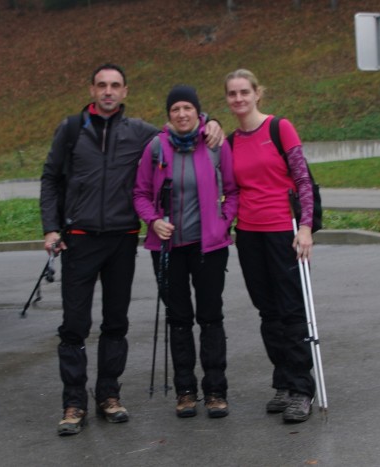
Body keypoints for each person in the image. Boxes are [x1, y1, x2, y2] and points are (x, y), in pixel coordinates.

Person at [40, 64, 223, 436]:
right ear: (92, 89)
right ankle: (73, 402)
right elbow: (50, 178)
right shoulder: (72, 129)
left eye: (116, 86)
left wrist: (212, 122)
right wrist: (50, 228)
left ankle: (109, 396)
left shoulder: (140, 132)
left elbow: (182, 132)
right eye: (102, 85)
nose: (108, 92)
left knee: (115, 323)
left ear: (125, 92)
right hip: (79, 238)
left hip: (123, 238)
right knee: (74, 326)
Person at [133, 85, 238, 419]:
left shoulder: (214, 143)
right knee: (178, 320)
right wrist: (152, 221)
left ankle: (216, 391)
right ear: (168, 115)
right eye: (175, 109)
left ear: (197, 111)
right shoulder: (155, 147)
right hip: (167, 249)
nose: (181, 114)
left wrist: (223, 223)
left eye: (187, 108)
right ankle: (185, 392)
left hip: (209, 246)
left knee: (210, 317)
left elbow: (234, 190)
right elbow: (140, 193)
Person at [224, 69, 316, 423]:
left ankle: (301, 389)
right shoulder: (231, 142)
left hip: (284, 231)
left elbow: (302, 178)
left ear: (257, 93)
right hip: (248, 234)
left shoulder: (280, 128)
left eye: (244, 92)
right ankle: (283, 381)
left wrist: (306, 227)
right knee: (268, 312)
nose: (239, 99)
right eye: (232, 94)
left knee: (291, 310)